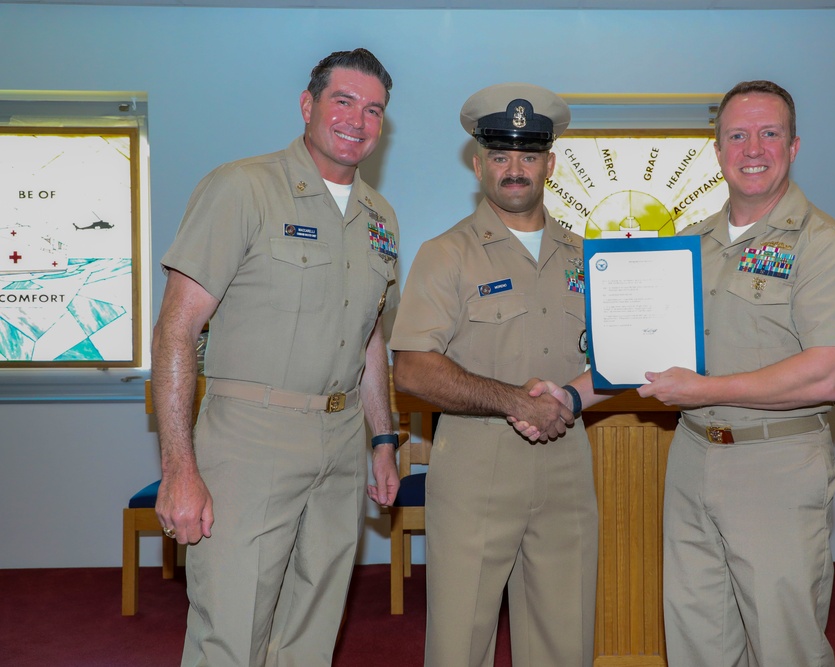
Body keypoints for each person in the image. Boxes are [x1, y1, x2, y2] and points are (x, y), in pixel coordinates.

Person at [518, 79, 835, 666]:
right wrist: (567, 397)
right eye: (737, 135)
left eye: (769, 134)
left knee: (785, 645)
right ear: (717, 151)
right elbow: (632, 353)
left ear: (794, 146)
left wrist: (705, 390)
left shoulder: (827, 245)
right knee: (696, 642)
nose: (752, 148)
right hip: (691, 461)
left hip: (775, 469)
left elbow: (827, 375)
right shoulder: (687, 245)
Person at [151, 48, 401, 667]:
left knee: (309, 634)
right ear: (308, 105)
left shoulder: (380, 217)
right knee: (231, 631)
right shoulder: (243, 188)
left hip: (341, 446)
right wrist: (179, 467)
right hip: (250, 439)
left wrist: (383, 440)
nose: (357, 120)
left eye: (373, 110)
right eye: (343, 101)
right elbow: (177, 328)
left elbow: (369, 337)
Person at [389, 82, 596, 667]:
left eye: (528, 156)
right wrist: (516, 402)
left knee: (566, 639)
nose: (514, 170)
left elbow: (612, 363)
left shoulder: (588, 257)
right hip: (476, 468)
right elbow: (411, 369)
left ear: (549, 163)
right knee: (460, 643)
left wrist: (570, 402)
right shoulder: (446, 253)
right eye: (500, 156)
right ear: (478, 162)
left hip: (567, 465)